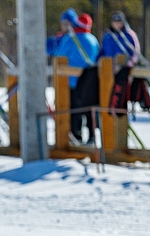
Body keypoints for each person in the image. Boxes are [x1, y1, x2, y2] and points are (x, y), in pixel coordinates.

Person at [46, 8, 99, 144]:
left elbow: (59, 56)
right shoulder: (93, 39)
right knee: (89, 109)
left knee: (74, 110)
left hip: (71, 81)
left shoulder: (71, 39)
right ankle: (92, 136)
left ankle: (76, 136)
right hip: (90, 82)